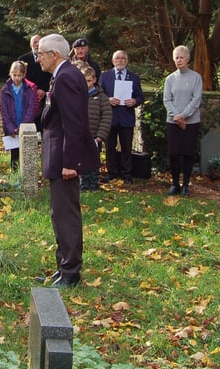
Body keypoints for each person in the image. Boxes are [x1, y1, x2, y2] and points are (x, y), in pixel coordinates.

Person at [36, 34, 99, 288]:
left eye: (41, 53)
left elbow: (74, 124)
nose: (38, 57)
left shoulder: (67, 78)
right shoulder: (62, 76)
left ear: (55, 55)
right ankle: (63, 267)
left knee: (66, 215)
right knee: (58, 213)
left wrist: (70, 163)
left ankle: (71, 272)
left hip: (65, 158)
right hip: (58, 155)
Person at [162, 45, 203, 196]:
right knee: (174, 153)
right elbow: (167, 100)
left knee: (188, 153)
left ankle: (186, 184)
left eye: (182, 57)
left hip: (191, 122)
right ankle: (174, 184)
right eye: (176, 58)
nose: (179, 60)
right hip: (173, 121)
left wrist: (184, 115)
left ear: (188, 58)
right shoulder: (170, 79)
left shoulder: (196, 78)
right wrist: (177, 116)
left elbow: (196, 99)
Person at [99, 50, 145, 182]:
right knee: (110, 147)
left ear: (127, 60)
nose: (120, 61)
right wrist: (108, 99)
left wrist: (135, 101)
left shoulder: (134, 77)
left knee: (126, 147)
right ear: (113, 61)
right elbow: (99, 94)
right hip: (110, 117)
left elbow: (140, 96)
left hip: (126, 117)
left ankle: (126, 174)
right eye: (117, 59)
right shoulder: (105, 76)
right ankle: (111, 173)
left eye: (123, 58)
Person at [0, 61, 39, 172]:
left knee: (26, 151)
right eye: (14, 75)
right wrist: (11, 127)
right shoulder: (5, 90)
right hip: (12, 125)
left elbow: (31, 108)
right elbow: (4, 111)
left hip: (24, 124)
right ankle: (15, 173)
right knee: (15, 153)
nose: (17, 78)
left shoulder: (29, 90)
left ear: (23, 75)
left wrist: (24, 126)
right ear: (10, 74)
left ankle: (26, 174)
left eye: (19, 75)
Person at [77, 63, 111, 191]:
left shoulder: (102, 97)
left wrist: (101, 135)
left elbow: (107, 116)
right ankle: (84, 183)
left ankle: (94, 183)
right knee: (81, 160)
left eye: (89, 80)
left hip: (95, 135)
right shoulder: (77, 96)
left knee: (94, 161)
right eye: (84, 81)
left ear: (94, 80)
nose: (86, 83)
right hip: (80, 135)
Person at [18, 35, 51, 127]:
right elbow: (20, 78)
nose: (36, 44)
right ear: (30, 44)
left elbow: (50, 76)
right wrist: (33, 90)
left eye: (39, 42)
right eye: (34, 42)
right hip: (27, 96)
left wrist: (43, 89)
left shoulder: (48, 59)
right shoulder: (23, 59)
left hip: (44, 96)